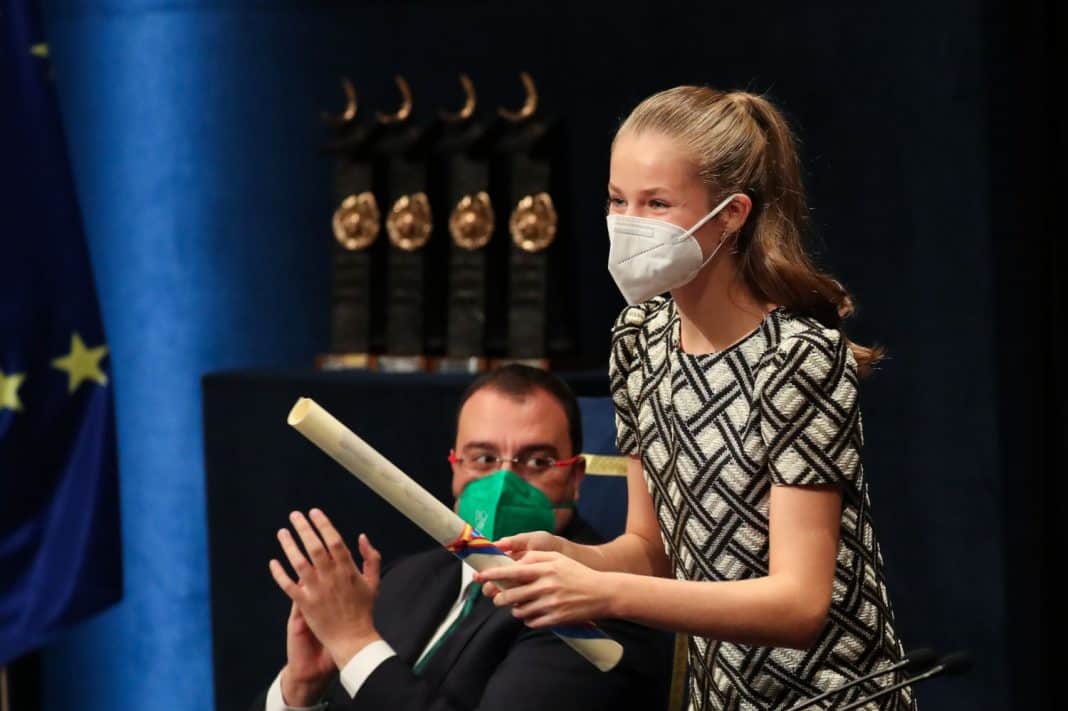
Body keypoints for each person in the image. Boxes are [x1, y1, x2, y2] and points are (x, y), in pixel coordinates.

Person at [475, 87, 915, 710]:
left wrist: (600, 594)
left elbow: (797, 603)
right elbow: (651, 550)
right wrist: (568, 559)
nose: (629, 223)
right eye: (617, 200)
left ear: (732, 214)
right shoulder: (638, 340)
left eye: (657, 204)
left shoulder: (797, 358)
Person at [251, 364, 672, 711]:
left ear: (574, 478)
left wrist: (356, 643)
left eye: (537, 460)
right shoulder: (404, 580)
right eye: (484, 458)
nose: (505, 483)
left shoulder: (596, 608)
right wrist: (299, 691)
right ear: (454, 466)